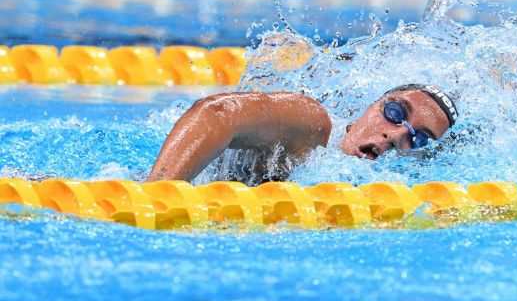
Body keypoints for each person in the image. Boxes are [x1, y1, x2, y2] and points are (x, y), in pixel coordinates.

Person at [146, 84, 458, 185]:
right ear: (368, 107)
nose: (396, 134)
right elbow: (219, 113)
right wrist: (159, 194)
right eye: (395, 113)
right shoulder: (313, 127)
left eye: (419, 139)